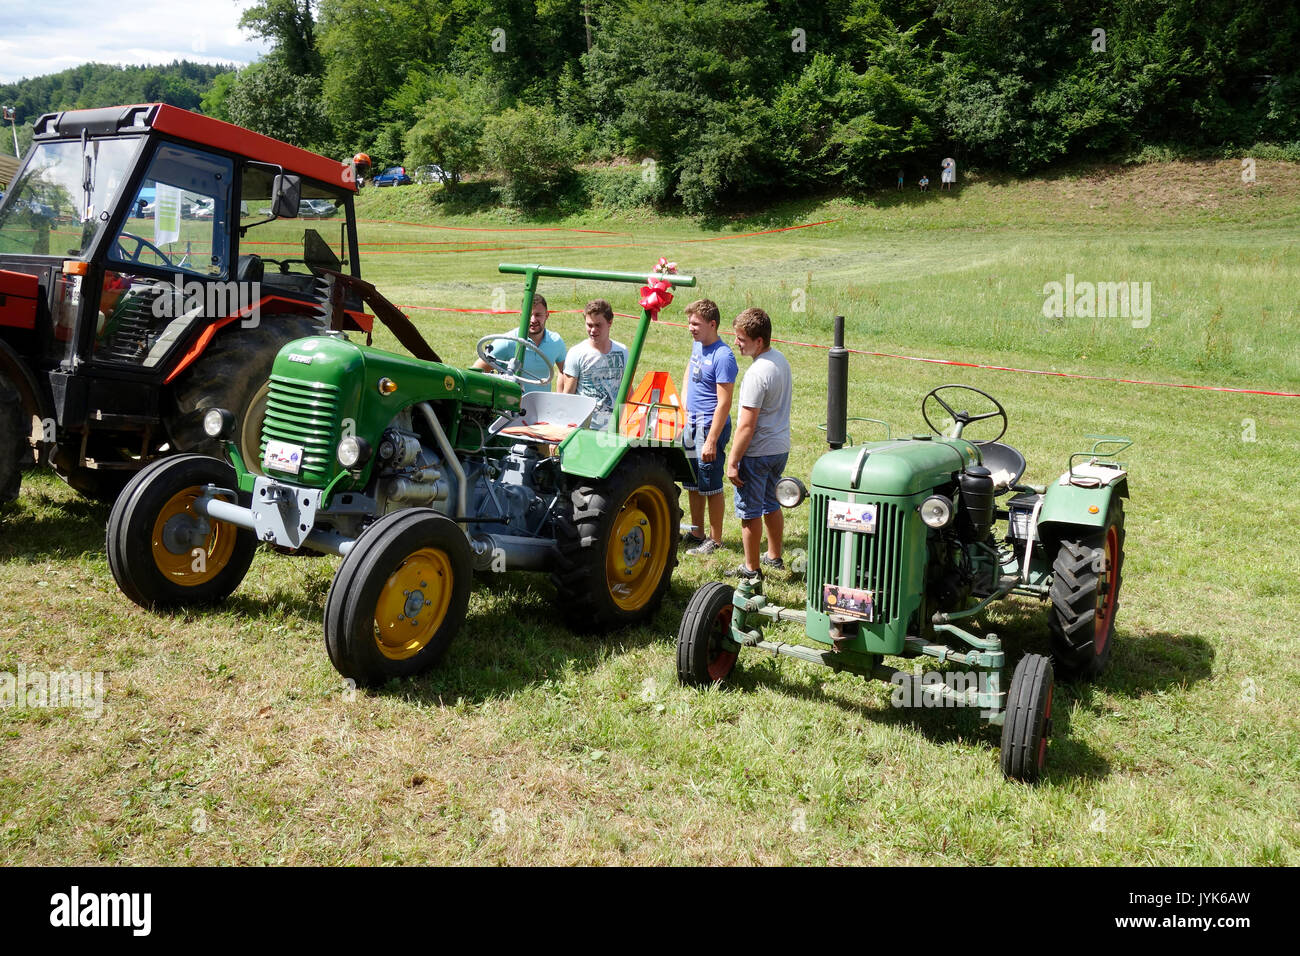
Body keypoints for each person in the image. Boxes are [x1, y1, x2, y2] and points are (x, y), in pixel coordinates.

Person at [725, 307, 792, 580]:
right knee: (771, 503)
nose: (736, 343)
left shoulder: (755, 374)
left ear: (759, 341)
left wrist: (733, 461)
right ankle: (774, 556)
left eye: (741, 338)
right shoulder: (781, 361)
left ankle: (751, 569)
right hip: (779, 449)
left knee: (749, 512)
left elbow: (746, 425)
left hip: (756, 453)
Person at [679, 299, 738, 557]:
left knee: (710, 483)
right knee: (693, 482)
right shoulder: (697, 344)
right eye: (689, 322)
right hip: (690, 422)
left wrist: (712, 439)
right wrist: (682, 405)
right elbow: (688, 371)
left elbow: (724, 403)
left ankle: (715, 540)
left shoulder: (723, 356)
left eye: (695, 323)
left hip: (709, 426)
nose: (690, 328)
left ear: (712, 324)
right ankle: (697, 532)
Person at [472, 293, 566, 394]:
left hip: (542, 406)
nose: (533, 320)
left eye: (538, 315)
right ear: (521, 315)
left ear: (547, 315)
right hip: (511, 406)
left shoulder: (556, 342)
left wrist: (561, 396)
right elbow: (476, 372)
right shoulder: (507, 341)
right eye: (528, 315)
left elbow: (565, 372)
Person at [559, 298, 627, 430]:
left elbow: (628, 389)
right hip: (586, 428)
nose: (593, 330)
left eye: (598, 325)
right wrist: (562, 429)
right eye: (589, 325)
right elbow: (567, 395)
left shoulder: (623, 351)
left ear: (610, 323)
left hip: (615, 427)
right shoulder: (576, 353)